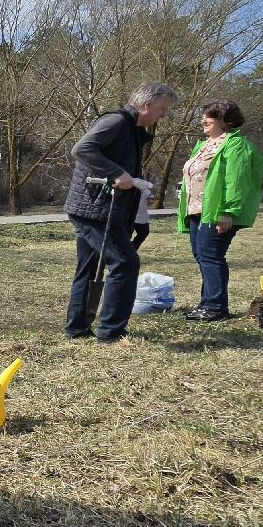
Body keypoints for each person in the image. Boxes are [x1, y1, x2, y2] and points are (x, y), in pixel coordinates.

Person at [61, 83, 177, 343]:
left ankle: (77, 328)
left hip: (99, 207)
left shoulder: (133, 129)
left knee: (89, 266)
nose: (163, 116)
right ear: (147, 104)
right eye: (162, 109)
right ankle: (111, 331)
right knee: (125, 262)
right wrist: (117, 173)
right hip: (94, 209)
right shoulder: (116, 121)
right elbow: (82, 149)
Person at [175, 100, 263, 321]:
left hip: (217, 211)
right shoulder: (204, 144)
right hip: (196, 210)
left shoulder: (235, 145)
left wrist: (228, 212)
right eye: (203, 115)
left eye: (209, 117)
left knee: (211, 255)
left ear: (226, 121)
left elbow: (236, 180)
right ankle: (207, 302)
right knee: (202, 255)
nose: (203, 120)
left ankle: (216, 307)